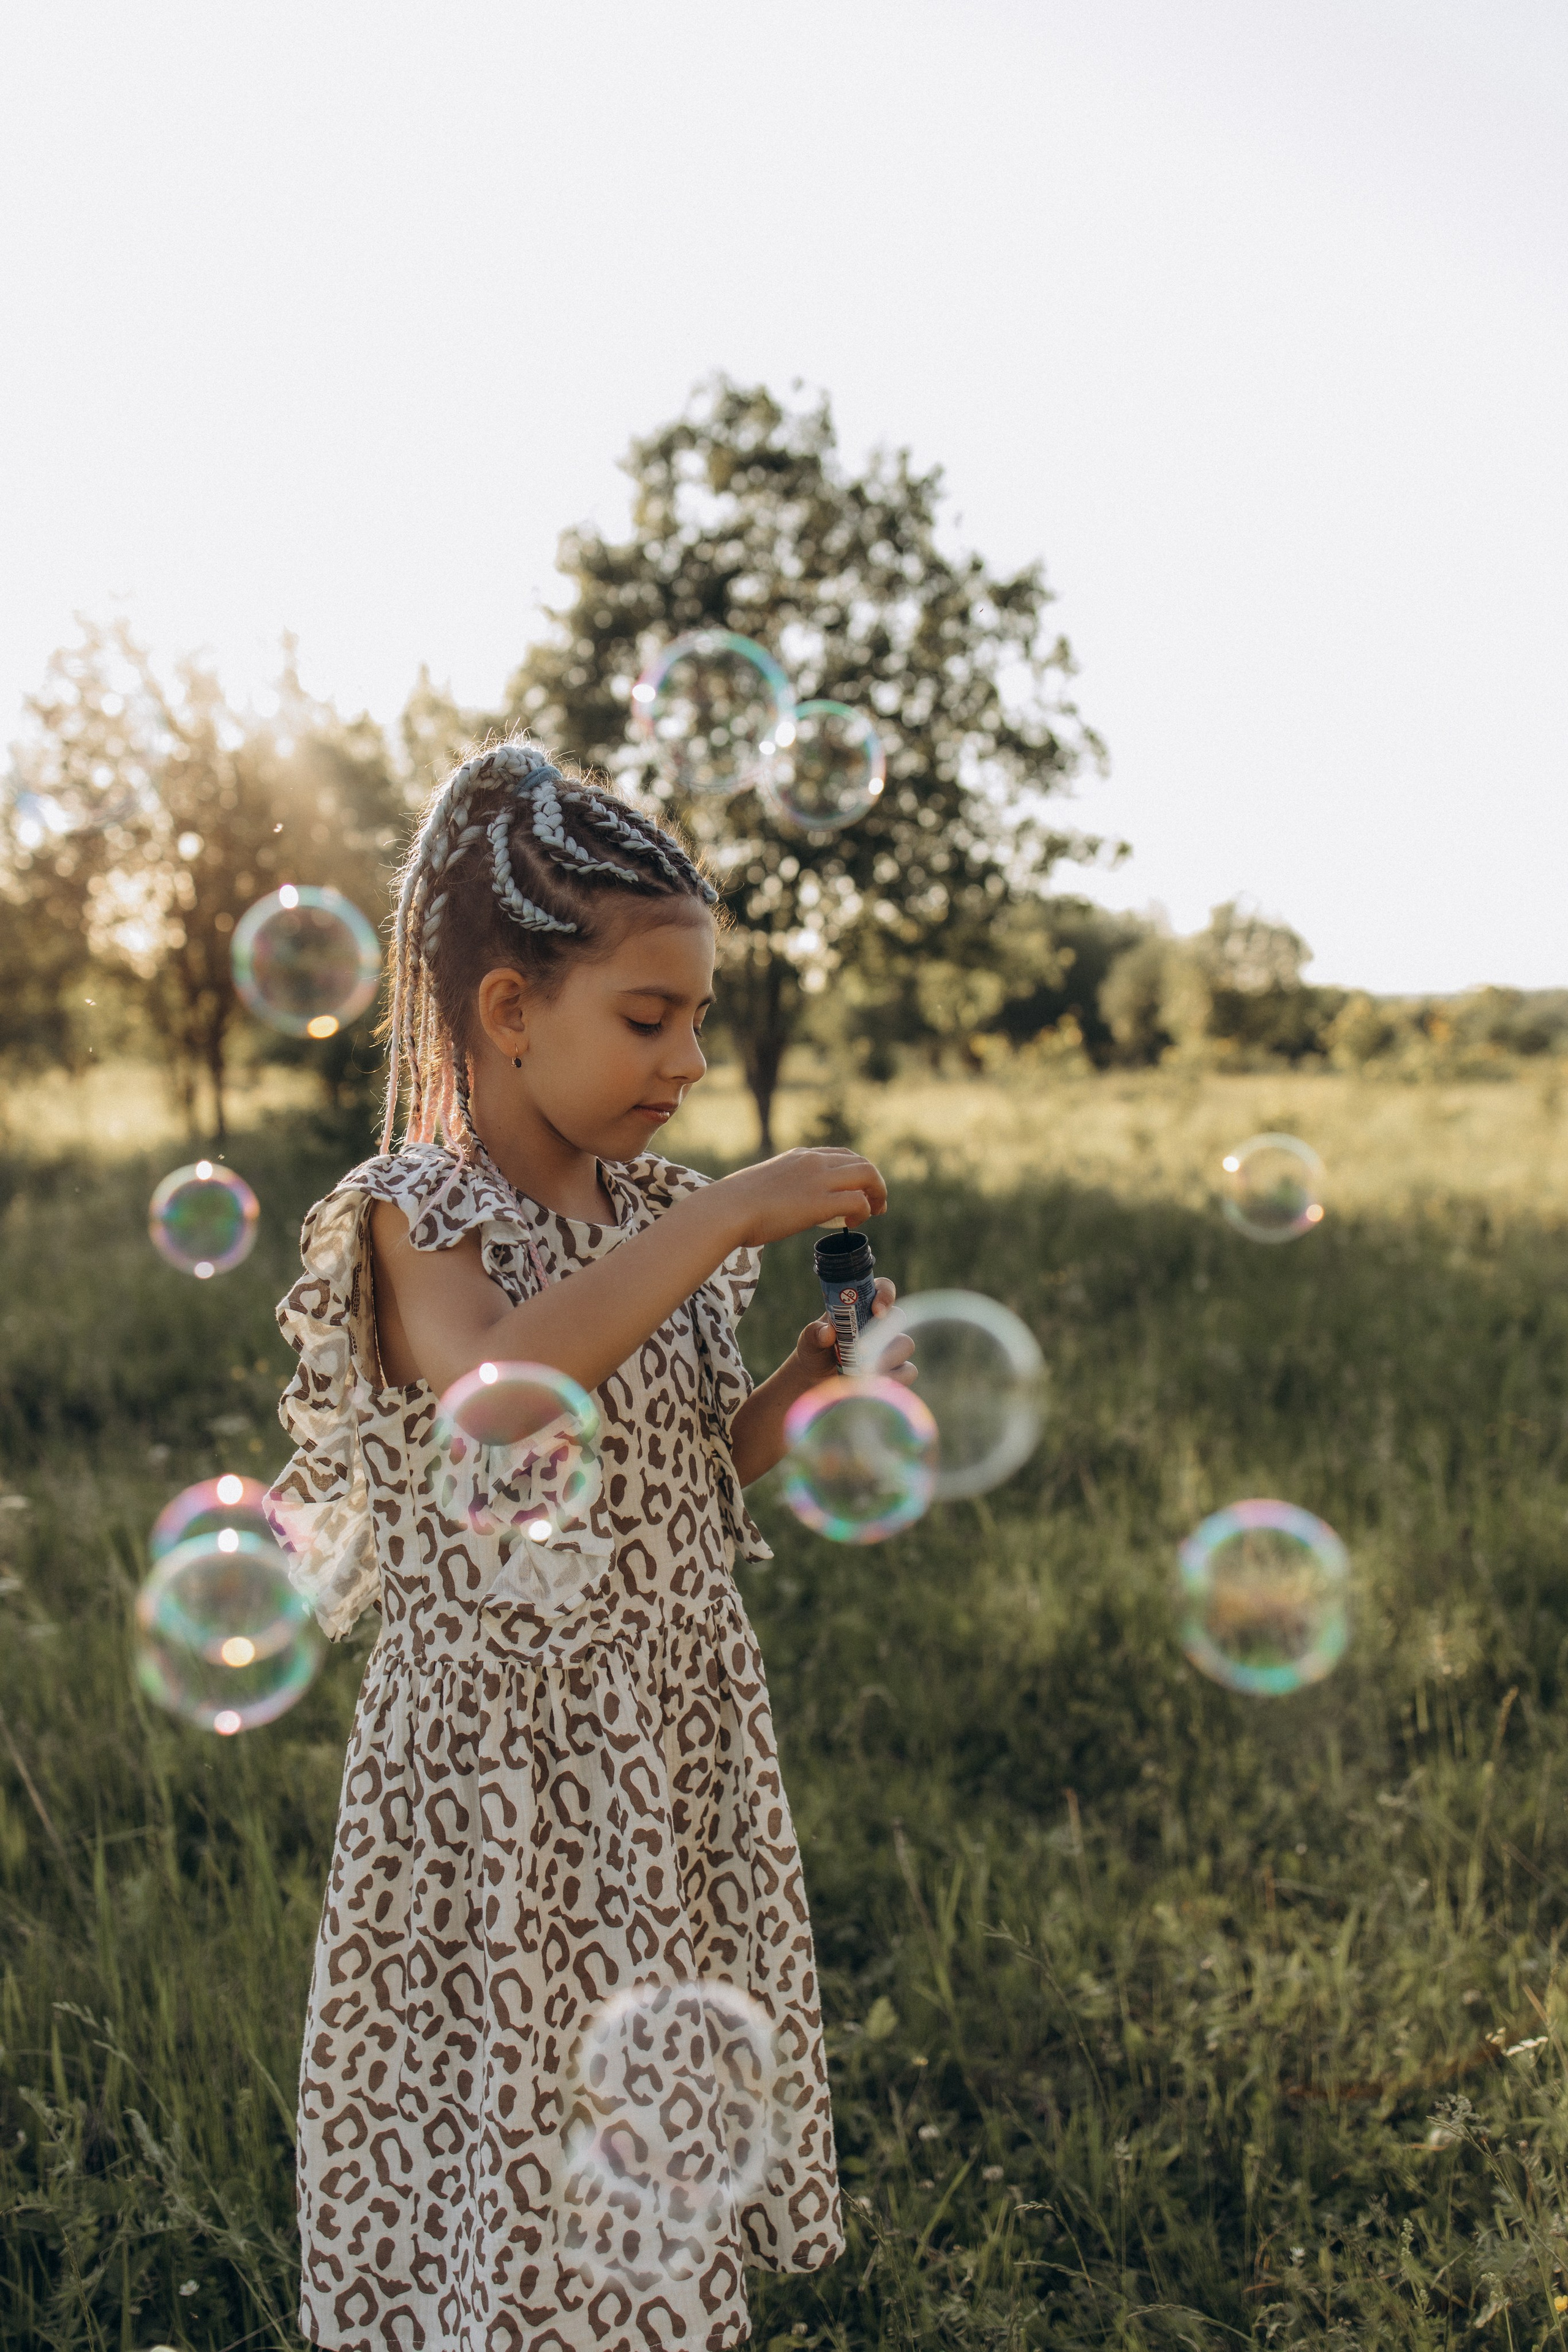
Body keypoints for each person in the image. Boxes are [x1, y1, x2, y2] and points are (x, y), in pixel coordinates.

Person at [266, 739, 907, 2352]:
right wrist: (723, 1220)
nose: (686, 1057)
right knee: (520, 2132)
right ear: (505, 1012)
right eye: (647, 1016)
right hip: (510, 1777)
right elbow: (496, 1398)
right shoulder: (423, 1214)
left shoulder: (652, 1215)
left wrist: (805, 1384)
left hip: (659, 1743)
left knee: (641, 2125)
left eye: (698, 1016)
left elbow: (696, 1468)